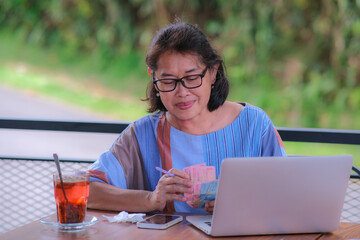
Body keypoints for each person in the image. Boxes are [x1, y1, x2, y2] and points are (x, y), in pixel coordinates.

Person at [87, 22, 286, 214]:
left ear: (213, 72)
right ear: (154, 80)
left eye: (191, 78)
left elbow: (287, 193)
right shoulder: (142, 135)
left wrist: (243, 206)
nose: (182, 92)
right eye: (168, 81)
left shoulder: (254, 126)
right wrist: (150, 199)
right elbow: (85, 190)